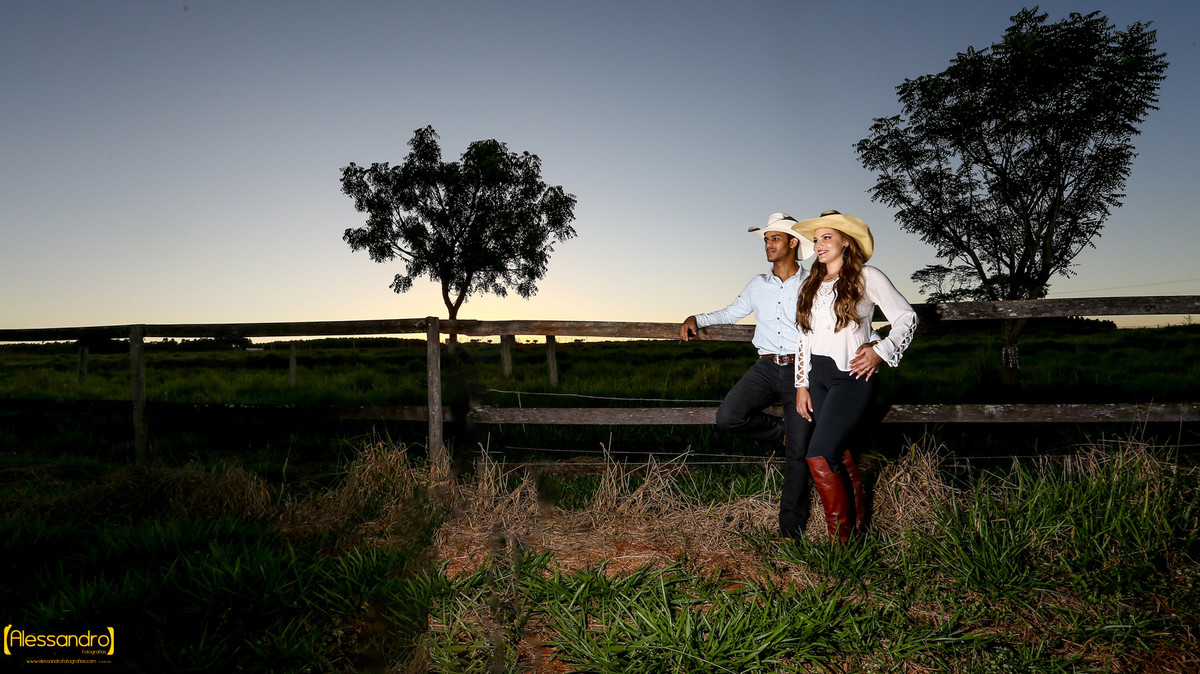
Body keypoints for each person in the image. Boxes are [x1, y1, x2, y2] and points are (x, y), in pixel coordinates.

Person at [680, 213, 823, 537]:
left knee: (798, 456)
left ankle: (791, 533)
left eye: (775, 238)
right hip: (766, 367)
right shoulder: (757, 284)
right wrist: (696, 319)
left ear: (793, 242)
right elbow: (732, 312)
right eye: (766, 240)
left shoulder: (813, 282)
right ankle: (782, 432)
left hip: (802, 369)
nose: (768, 244)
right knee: (728, 416)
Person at [788, 210, 918, 543]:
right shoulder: (811, 283)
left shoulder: (867, 276)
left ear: (846, 242)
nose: (819, 244)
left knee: (819, 453)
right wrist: (801, 384)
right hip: (817, 376)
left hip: (851, 376)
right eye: (816, 239)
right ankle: (857, 533)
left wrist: (881, 350)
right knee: (839, 454)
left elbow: (906, 317)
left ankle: (841, 546)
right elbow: (804, 337)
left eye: (826, 237)